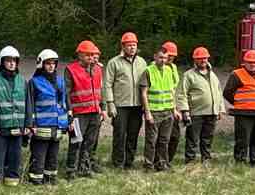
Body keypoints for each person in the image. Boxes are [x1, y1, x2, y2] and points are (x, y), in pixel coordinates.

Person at [0, 45, 27, 188]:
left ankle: (12, 181)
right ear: (1, 62)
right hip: (0, 128)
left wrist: (28, 125)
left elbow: (29, 104)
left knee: (15, 156)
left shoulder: (22, 81)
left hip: (18, 127)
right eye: (8, 60)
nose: (12, 63)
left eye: (14, 60)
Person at [103, 32, 148, 168]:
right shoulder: (114, 62)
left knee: (133, 135)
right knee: (119, 135)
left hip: (137, 105)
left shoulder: (142, 62)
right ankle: (118, 162)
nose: (132, 48)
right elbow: (108, 84)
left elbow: (145, 84)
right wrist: (110, 103)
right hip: (120, 105)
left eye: (134, 45)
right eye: (129, 45)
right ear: (123, 46)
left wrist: (146, 106)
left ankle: (129, 161)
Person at [25, 49, 69, 184]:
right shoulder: (34, 82)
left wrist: (69, 120)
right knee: (39, 154)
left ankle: (50, 178)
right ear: (41, 64)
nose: (51, 66)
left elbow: (65, 102)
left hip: (57, 125)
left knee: (53, 155)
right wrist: (31, 123)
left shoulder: (61, 81)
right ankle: (35, 179)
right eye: (48, 63)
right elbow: (30, 104)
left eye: (53, 63)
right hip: (41, 126)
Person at [62, 40, 103, 180]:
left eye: (92, 55)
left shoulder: (98, 70)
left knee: (89, 142)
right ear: (79, 55)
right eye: (87, 55)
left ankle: (84, 168)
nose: (91, 58)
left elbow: (99, 91)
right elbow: (66, 94)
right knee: (76, 141)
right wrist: (69, 113)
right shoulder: (71, 70)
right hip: (78, 114)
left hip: (94, 113)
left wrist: (101, 109)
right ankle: (71, 170)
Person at [176, 46, 223, 163]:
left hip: (211, 112)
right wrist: (185, 111)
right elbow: (182, 94)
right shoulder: (188, 75)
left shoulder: (213, 75)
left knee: (207, 138)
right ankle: (190, 161)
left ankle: (206, 159)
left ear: (208, 58)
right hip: (195, 112)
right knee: (192, 138)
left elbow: (218, 92)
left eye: (205, 58)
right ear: (195, 60)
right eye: (200, 58)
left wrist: (220, 109)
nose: (203, 60)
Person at [224, 50, 255, 166]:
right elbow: (227, 92)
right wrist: (239, 104)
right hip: (244, 113)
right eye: (250, 62)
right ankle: (240, 161)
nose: (252, 64)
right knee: (242, 139)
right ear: (244, 62)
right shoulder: (237, 74)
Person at [141, 40, 179, 171]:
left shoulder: (169, 70)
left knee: (164, 140)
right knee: (151, 140)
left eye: (165, 57)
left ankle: (162, 163)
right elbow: (144, 93)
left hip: (167, 111)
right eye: (160, 57)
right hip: (154, 111)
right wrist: (147, 113)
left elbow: (171, 91)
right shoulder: (148, 71)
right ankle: (148, 165)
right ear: (155, 57)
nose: (163, 60)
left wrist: (174, 109)